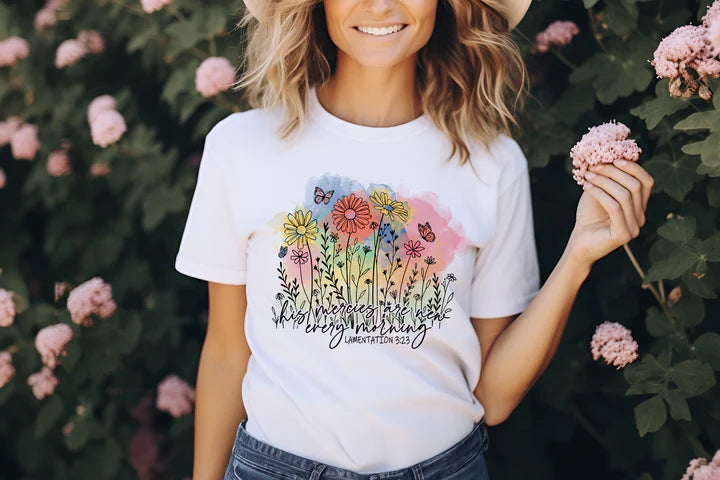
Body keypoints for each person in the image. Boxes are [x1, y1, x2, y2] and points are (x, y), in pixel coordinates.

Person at [174, 1, 654, 479]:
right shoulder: (241, 148)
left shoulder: (492, 163)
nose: (381, 6)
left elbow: (492, 397)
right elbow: (225, 353)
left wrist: (578, 257)